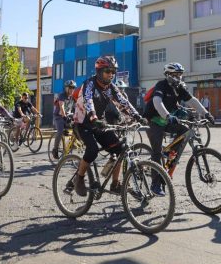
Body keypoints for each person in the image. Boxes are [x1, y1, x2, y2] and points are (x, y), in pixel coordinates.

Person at [71, 56, 144, 197]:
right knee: (92, 150)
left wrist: (137, 116)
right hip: (83, 123)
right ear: (99, 71)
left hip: (100, 124)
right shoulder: (90, 84)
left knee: (120, 150)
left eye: (113, 71)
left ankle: (115, 183)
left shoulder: (111, 87)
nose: (111, 74)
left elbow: (124, 102)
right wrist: (93, 116)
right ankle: (78, 178)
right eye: (107, 71)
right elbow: (88, 100)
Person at [142, 62, 212, 197]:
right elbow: (157, 102)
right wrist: (168, 116)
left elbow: (193, 101)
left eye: (180, 74)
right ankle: (155, 185)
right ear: (168, 75)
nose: (178, 77)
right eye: (176, 75)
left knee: (185, 130)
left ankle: (169, 152)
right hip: (153, 120)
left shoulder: (179, 87)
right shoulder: (161, 85)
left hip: (166, 120)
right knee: (156, 152)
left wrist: (206, 114)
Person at [52, 80, 76, 159]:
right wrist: (64, 116)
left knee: (77, 128)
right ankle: (55, 149)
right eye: (70, 88)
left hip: (68, 116)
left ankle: (71, 144)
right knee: (60, 131)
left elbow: (76, 107)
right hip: (59, 116)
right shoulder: (62, 95)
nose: (72, 89)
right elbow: (61, 106)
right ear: (66, 88)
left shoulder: (72, 97)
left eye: (73, 88)